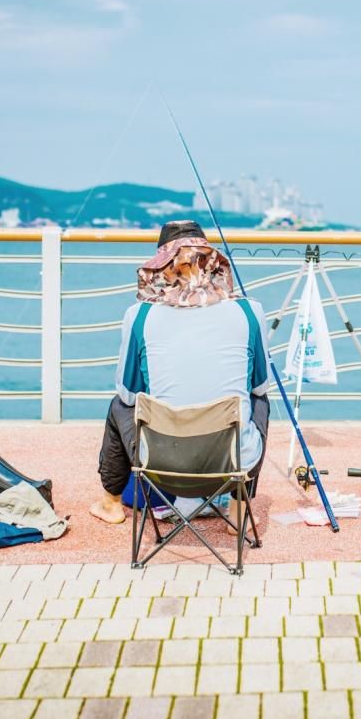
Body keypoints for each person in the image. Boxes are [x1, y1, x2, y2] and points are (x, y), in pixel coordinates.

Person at [89, 220, 271, 531]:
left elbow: (128, 394)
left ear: (161, 265)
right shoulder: (249, 311)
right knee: (259, 401)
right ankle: (240, 511)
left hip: (160, 465)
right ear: (211, 261)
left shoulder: (141, 315)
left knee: (117, 406)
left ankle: (110, 503)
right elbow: (259, 385)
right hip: (232, 462)